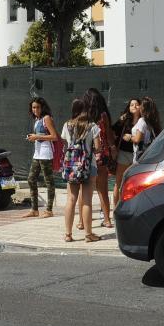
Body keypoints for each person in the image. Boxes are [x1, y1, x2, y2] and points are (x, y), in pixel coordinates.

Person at [60, 98, 101, 243]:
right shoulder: (93, 126)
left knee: (71, 199)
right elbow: (98, 147)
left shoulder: (67, 125)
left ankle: (68, 234)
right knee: (87, 201)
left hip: (71, 167)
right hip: (89, 166)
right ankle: (89, 235)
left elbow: (65, 143)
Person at [83, 88, 116, 229]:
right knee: (102, 189)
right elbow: (108, 135)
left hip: (87, 155)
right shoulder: (103, 116)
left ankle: (81, 222)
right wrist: (113, 147)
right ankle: (107, 220)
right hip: (102, 154)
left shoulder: (83, 115)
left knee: (84, 190)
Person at [22, 97, 57, 218]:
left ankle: (49, 210)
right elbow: (41, 135)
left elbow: (54, 136)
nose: (35, 110)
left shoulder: (46, 118)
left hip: (46, 153)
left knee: (49, 181)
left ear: (42, 107)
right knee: (31, 179)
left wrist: (36, 136)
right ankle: (34, 209)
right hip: (37, 153)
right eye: (33, 107)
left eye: (37, 107)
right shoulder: (37, 120)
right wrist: (32, 137)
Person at [113, 98, 141, 207]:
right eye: (131, 105)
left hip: (138, 155)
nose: (134, 106)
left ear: (140, 107)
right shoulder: (125, 120)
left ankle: (132, 207)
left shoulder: (143, 121)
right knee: (118, 183)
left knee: (134, 183)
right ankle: (116, 208)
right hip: (124, 153)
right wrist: (120, 120)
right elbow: (113, 129)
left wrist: (131, 137)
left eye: (136, 104)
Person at [131, 97, 162, 162]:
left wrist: (129, 137)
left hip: (141, 158)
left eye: (140, 105)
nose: (139, 107)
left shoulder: (142, 120)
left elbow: (137, 139)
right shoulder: (152, 122)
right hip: (150, 156)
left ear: (143, 108)